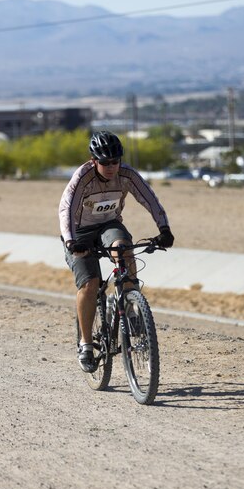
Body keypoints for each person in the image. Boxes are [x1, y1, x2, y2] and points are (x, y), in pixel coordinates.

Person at [59, 131, 174, 372]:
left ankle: (130, 307)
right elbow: (66, 209)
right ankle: (86, 344)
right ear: (94, 161)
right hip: (79, 232)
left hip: (109, 224)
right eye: (104, 162)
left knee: (124, 250)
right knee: (90, 283)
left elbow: (150, 199)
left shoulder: (127, 175)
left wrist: (164, 228)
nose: (111, 167)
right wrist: (71, 241)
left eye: (115, 161)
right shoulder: (83, 177)